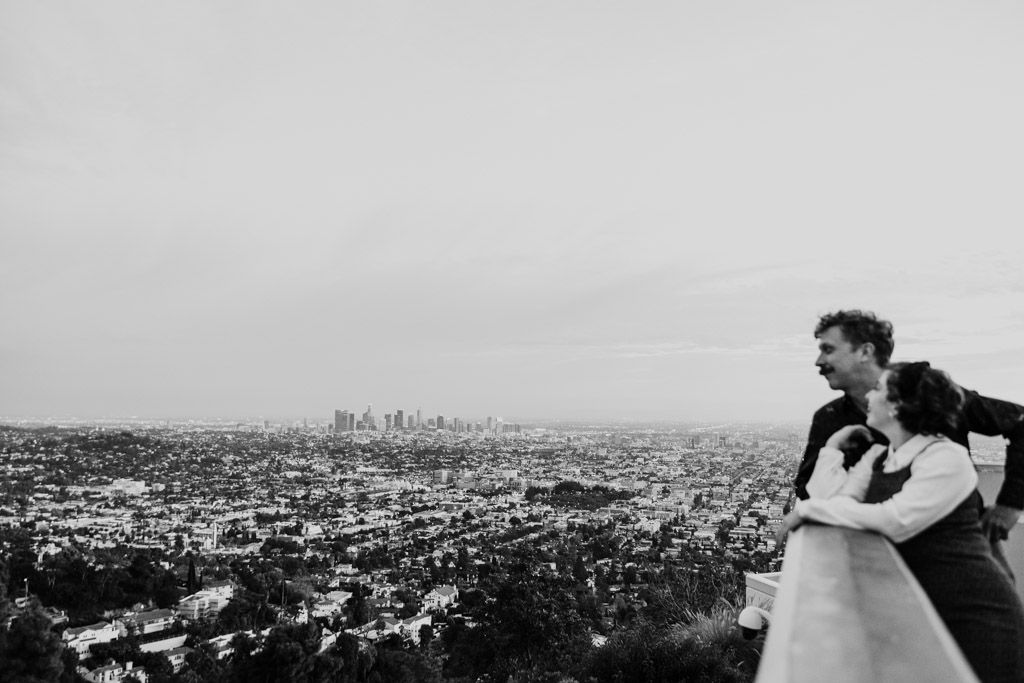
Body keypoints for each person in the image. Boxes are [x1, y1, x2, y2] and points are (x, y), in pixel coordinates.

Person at [780, 362, 1024, 683]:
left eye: (879, 388)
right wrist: (831, 449)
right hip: (927, 604)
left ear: (898, 405)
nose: (870, 395)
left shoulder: (945, 457)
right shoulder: (881, 455)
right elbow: (833, 501)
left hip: (976, 611)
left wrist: (810, 512)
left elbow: (896, 519)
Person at [794, 310, 1024, 551]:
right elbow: (810, 488)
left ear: (865, 351)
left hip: (956, 545)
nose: (819, 361)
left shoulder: (929, 394)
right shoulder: (831, 418)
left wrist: (1008, 506)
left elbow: (1020, 421)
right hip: (881, 551)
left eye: (828, 349)